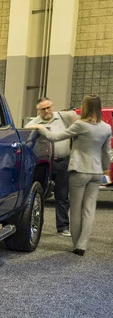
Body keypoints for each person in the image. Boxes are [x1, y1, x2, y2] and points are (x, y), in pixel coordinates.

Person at [30, 94, 111, 256]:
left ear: (86, 107)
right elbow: (106, 153)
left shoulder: (80, 125)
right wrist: (106, 171)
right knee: (89, 209)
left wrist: (40, 128)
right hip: (96, 173)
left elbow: (55, 137)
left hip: (79, 171)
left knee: (75, 209)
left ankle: (76, 245)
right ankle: (83, 244)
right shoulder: (106, 128)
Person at [26, 97, 78, 237]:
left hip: (62, 162)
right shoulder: (34, 124)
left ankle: (63, 227)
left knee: (62, 195)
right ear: (38, 110)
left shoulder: (62, 118)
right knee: (38, 194)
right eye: (43, 109)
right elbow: (26, 140)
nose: (47, 110)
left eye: (49, 107)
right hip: (43, 165)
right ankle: (36, 226)